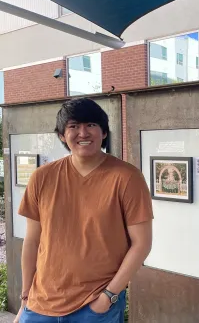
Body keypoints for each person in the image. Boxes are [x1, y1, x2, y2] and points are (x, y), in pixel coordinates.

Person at [14, 98, 153, 323]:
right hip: (40, 303)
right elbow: (32, 241)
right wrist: (25, 298)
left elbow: (142, 244)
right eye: (74, 126)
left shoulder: (127, 177)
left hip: (95, 305)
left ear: (104, 132)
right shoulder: (42, 177)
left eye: (91, 125)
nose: (83, 133)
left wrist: (108, 296)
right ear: (62, 135)